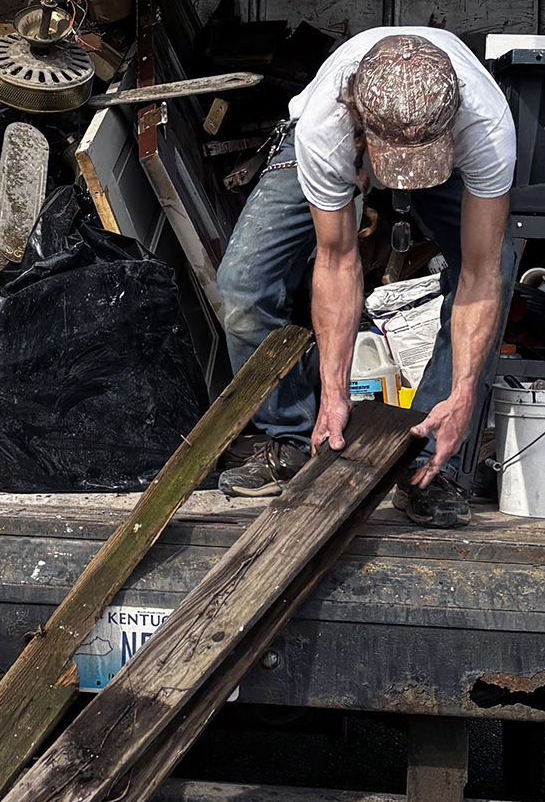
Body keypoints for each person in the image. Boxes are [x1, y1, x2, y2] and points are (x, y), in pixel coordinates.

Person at [213, 28, 516, 527]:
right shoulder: (324, 128)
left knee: (494, 267)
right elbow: (338, 258)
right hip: (340, 144)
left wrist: (463, 393)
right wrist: (334, 389)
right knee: (244, 283)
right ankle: (292, 436)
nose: (405, 183)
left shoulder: (485, 128)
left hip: (452, 154)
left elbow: (481, 275)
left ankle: (427, 463)